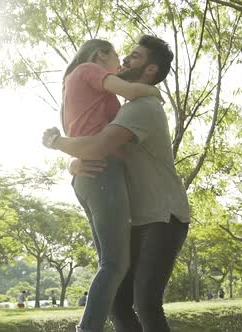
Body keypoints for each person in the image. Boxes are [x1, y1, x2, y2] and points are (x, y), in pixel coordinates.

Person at [43, 35, 190, 332]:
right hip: (137, 217)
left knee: (145, 302)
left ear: (149, 71)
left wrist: (60, 144)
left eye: (134, 57)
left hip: (164, 216)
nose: (125, 60)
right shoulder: (121, 107)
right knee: (118, 303)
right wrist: (75, 163)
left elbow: (98, 146)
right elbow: (94, 146)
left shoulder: (143, 105)